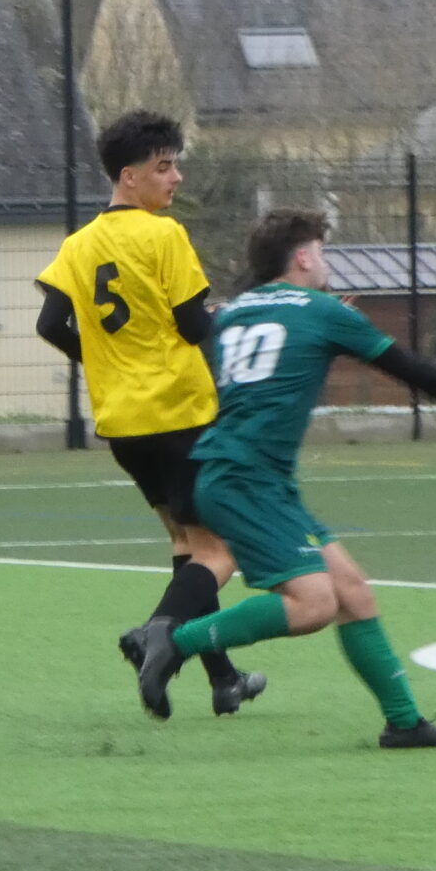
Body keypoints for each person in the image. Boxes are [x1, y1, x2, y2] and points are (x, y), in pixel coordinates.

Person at [122, 208, 436, 748]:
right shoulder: (323, 312)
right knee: (314, 605)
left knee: (351, 591)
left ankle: (404, 723)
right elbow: (403, 365)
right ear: (302, 257)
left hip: (239, 475)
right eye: (321, 251)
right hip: (247, 481)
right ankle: (172, 641)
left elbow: (262, 343)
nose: (326, 262)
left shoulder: (235, 312)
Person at [34, 110, 265, 716]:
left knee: (186, 544)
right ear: (129, 177)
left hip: (123, 425)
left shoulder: (78, 245)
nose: (176, 178)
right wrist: (232, 316)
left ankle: (224, 679)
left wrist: (104, 360)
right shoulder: (164, 236)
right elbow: (192, 326)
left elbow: (49, 324)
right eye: (164, 167)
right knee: (220, 552)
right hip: (179, 413)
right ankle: (157, 634)